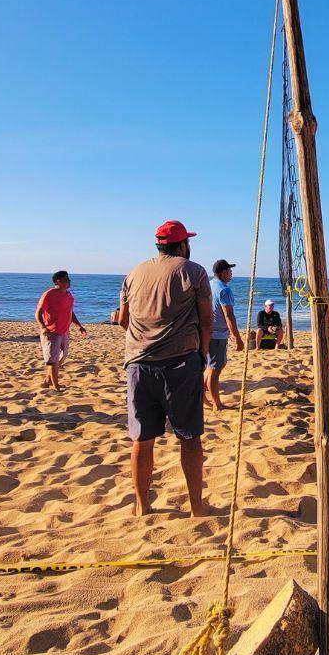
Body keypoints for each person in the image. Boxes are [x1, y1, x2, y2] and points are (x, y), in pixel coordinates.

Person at [120, 220, 214, 516]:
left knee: (142, 439)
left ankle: (141, 506)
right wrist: (202, 353)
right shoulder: (193, 270)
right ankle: (196, 507)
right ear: (183, 244)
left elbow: (123, 319)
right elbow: (207, 320)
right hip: (179, 362)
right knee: (189, 436)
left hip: (138, 363)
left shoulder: (134, 273)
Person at [35, 271, 87, 391]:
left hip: (64, 331)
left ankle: (48, 380)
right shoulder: (49, 294)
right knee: (52, 360)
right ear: (58, 281)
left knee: (61, 358)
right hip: (51, 331)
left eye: (68, 279)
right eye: (66, 279)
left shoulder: (69, 296)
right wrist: (43, 327)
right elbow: (38, 312)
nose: (69, 281)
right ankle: (56, 386)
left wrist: (79, 325)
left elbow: (70, 312)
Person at [205, 259, 245, 411]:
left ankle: (204, 398)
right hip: (217, 334)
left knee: (210, 367)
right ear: (223, 272)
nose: (231, 273)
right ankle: (217, 404)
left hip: (208, 332)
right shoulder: (224, 290)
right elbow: (228, 315)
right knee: (215, 370)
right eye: (229, 270)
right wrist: (238, 338)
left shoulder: (209, 284)